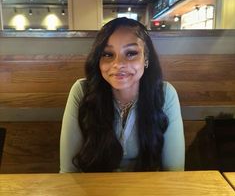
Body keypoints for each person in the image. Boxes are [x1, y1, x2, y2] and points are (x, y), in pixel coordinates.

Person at [60, 17, 185, 173]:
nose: (118, 64)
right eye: (107, 54)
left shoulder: (165, 94)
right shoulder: (82, 91)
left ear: (146, 58)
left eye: (131, 53)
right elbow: (68, 172)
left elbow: (174, 171)